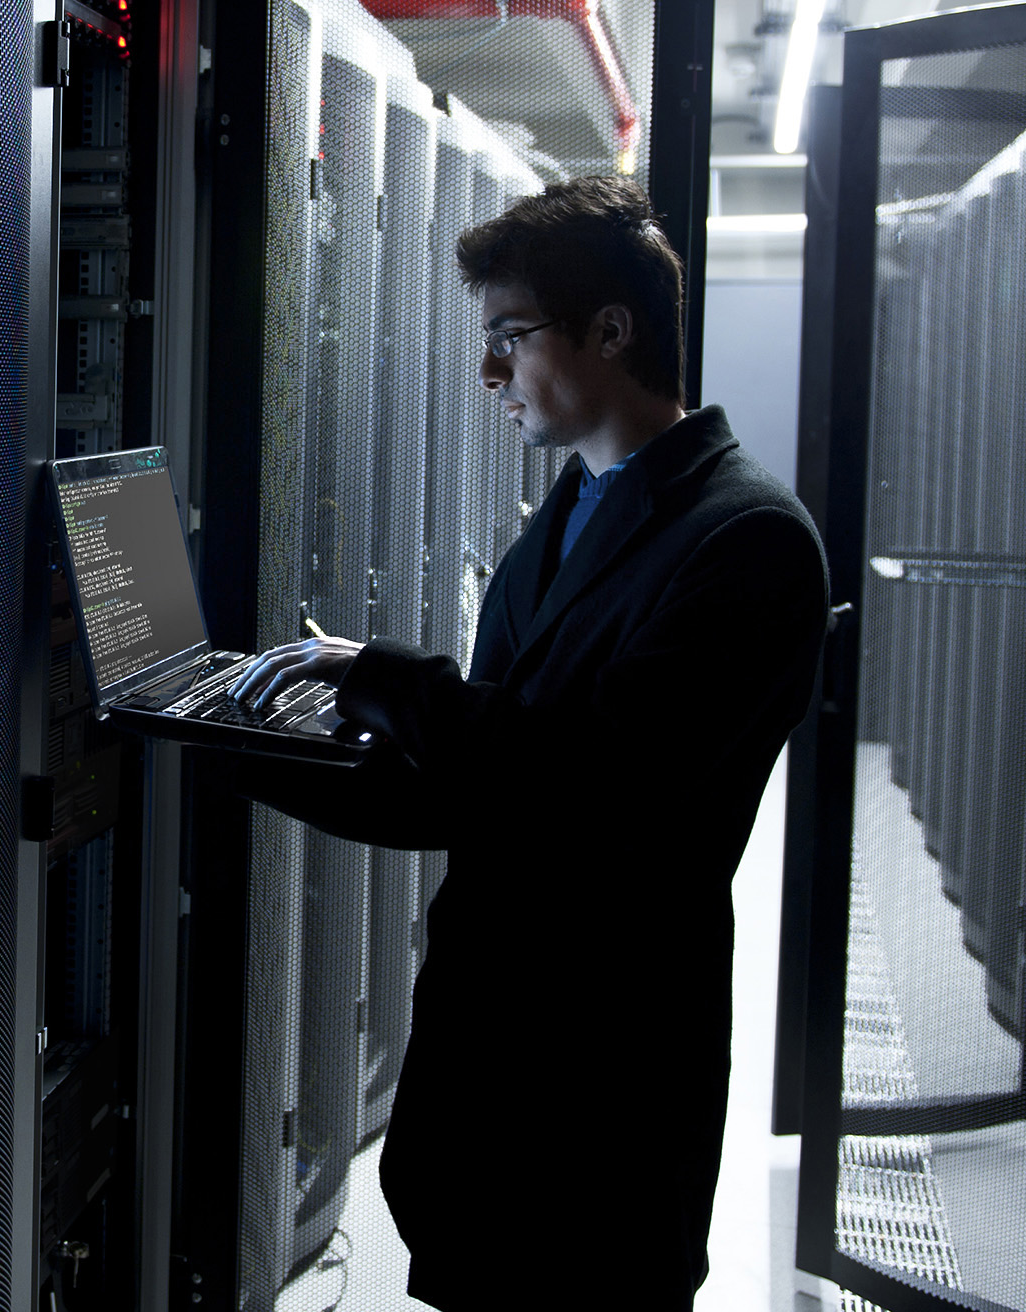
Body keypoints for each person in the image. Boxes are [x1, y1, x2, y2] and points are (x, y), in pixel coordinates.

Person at [216, 176, 828, 1311]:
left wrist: (378, 676)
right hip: (493, 1048)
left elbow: (584, 781)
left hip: (606, 1066)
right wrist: (230, 744)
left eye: (508, 336)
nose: (488, 371)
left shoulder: (746, 540)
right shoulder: (568, 510)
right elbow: (467, 789)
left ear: (610, 328)